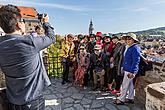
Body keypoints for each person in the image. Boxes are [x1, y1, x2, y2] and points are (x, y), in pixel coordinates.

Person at [0, 4, 55, 110]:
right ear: (19, 25)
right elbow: (51, 38)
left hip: (12, 99)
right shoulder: (30, 42)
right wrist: (46, 22)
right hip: (32, 100)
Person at [114, 33, 141, 105]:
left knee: (125, 84)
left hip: (130, 70)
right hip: (127, 69)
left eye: (129, 39)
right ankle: (131, 98)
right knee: (130, 85)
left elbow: (136, 61)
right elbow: (126, 59)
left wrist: (133, 72)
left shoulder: (135, 48)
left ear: (133, 40)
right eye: (127, 39)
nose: (127, 40)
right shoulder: (129, 47)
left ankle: (121, 99)